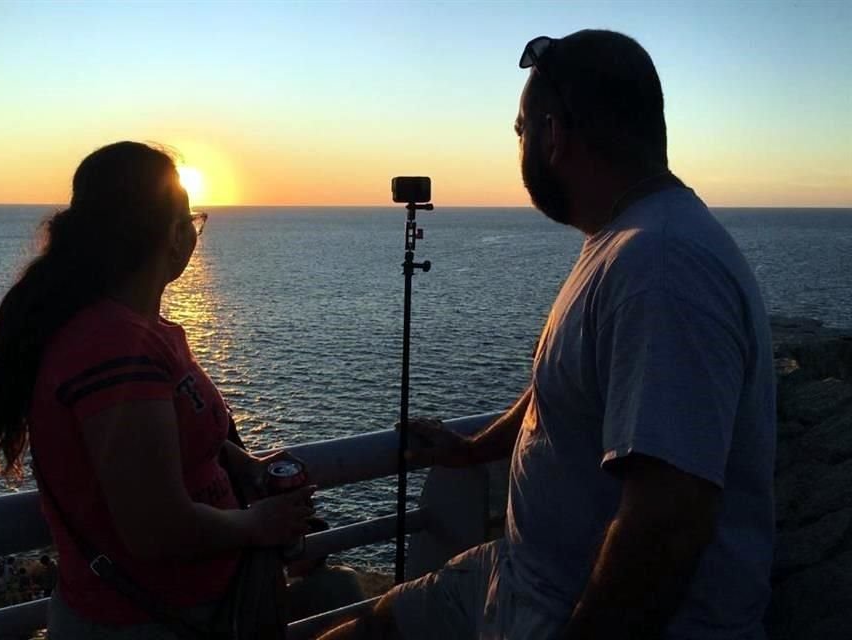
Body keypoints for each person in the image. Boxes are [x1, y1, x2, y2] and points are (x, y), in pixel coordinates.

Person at [319, 29, 775, 640]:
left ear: (554, 135)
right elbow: (559, 386)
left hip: (564, 610)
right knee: (376, 627)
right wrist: (474, 448)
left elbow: (668, 520)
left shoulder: (660, 267)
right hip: (518, 575)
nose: (519, 146)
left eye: (520, 130)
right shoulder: (623, 243)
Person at [0, 141, 317, 638]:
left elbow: (153, 439)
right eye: (192, 221)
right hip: (143, 622)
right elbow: (156, 529)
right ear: (172, 235)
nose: (194, 235)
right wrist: (257, 524)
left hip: (196, 609)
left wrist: (234, 461)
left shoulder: (140, 331)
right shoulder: (111, 346)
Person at [286, 517, 366, 619]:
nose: (286, 557)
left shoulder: (296, 592)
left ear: (311, 554)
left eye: (292, 549)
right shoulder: (348, 575)